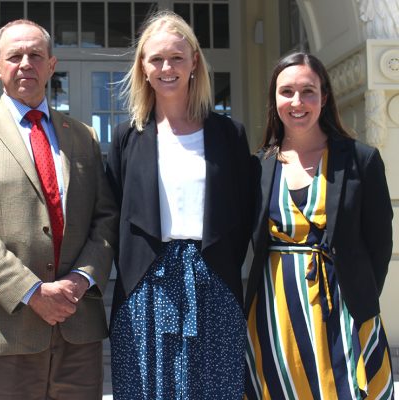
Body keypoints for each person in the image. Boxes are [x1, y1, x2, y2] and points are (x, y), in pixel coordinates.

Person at [0, 19, 118, 400]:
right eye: (15, 55)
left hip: (78, 324)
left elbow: (105, 220)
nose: (26, 63)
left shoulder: (83, 136)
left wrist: (80, 281)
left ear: (51, 65)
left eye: (36, 55)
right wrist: (32, 292)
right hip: (5, 330)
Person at [105, 10, 253, 400]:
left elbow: (244, 211)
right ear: (143, 66)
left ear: (194, 63)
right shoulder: (126, 137)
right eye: (156, 58)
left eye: (176, 57)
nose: (166, 67)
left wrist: (218, 265)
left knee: (217, 389)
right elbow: (114, 216)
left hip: (214, 282)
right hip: (145, 289)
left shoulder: (228, 133)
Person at [245, 52, 395, 399]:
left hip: (343, 309)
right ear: (274, 99)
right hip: (274, 311)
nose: (297, 102)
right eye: (286, 92)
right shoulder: (258, 166)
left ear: (324, 97)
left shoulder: (361, 160)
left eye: (308, 91)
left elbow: (380, 244)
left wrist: (358, 292)